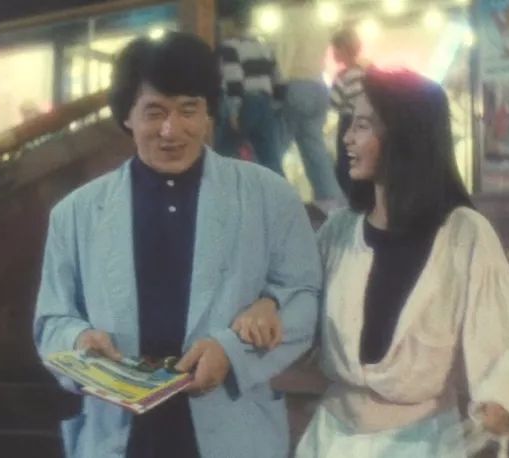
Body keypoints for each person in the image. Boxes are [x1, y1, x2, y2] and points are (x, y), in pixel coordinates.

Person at [33, 32, 322, 458]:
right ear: (127, 116)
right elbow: (51, 321)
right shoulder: (75, 213)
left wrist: (232, 352)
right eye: (155, 112)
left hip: (233, 428)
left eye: (189, 110)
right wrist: (79, 341)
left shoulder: (268, 195)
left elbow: (303, 298)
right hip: (119, 434)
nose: (172, 130)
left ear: (209, 113)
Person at [232, 68, 509, 457]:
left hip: (424, 441)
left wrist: (501, 399)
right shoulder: (339, 231)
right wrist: (268, 303)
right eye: (350, 124)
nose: (347, 138)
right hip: (331, 439)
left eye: (362, 126)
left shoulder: (464, 234)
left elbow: (508, 334)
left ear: (405, 135)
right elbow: (297, 290)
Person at [274, 0, 346, 212]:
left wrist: (277, 87)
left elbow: (284, 55)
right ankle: (332, 202)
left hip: (295, 84)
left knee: (274, 146)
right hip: (318, 85)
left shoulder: (289, 19)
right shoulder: (319, 20)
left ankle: (271, 198)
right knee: (314, 148)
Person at [215, 6, 286, 174]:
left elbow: (234, 79)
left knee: (222, 155)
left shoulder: (230, 46)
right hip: (266, 103)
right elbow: (279, 79)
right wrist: (275, 105)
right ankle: (279, 190)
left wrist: (233, 111)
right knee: (270, 159)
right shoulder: (264, 46)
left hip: (245, 103)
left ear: (230, 24)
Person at [328, 27, 365, 195]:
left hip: (348, 122)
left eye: (335, 48)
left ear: (343, 49)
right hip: (362, 123)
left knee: (344, 165)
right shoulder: (363, 72)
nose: (333, 53)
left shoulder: (345, 76)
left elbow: (334, 103)